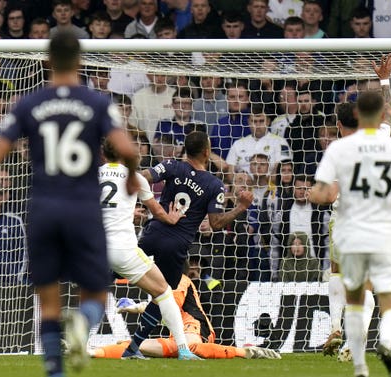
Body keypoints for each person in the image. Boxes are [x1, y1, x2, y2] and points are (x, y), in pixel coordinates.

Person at [0, 31, 141, 377]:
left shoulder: (29, 102)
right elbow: (125, 148)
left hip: (44, 208)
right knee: (96, 295)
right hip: (83, 209)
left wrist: (27, 141)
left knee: (49, 304)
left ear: (47, 60)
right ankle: (84, 323)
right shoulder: (96, 102)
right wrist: (134, 174)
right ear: (80, 61)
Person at [310, 90, 391, 377]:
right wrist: (385, 81)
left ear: (338, 123)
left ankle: (340, 331)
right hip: (384, 226)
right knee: (385, 295)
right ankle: (379, 343)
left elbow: (327, 194)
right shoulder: (389, 141)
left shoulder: (340, 149)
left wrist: (312, 191)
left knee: (345, 280)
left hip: (348, 222)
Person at [120, 130, 254, 359]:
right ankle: (134, 347)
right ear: (207, 152)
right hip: (176, 245)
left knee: (116, 265)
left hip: (154, 232)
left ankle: (85, 289)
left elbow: (141, 177)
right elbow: (216, 223)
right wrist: (241, 207)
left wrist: (136, 203)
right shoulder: (214, 185)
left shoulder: (173, 165)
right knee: (162, 294)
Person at [99, 139, 201, 360]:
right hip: (123, 249)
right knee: (164, 292)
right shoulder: (135, 179)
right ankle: (184, 350)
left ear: (102, 155)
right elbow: (158, 212)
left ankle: (75, 341)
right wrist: (172, 218)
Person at [90, 269, 280, 359]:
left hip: (196, 328)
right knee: (129, 345)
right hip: (177, 338)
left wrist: (137, 307)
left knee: (192, 346)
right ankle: (91, 352)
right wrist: (138, 307)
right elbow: (164, 310)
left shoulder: (180, 279)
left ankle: (246, 352)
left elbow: (169, 304)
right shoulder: (160, 283)